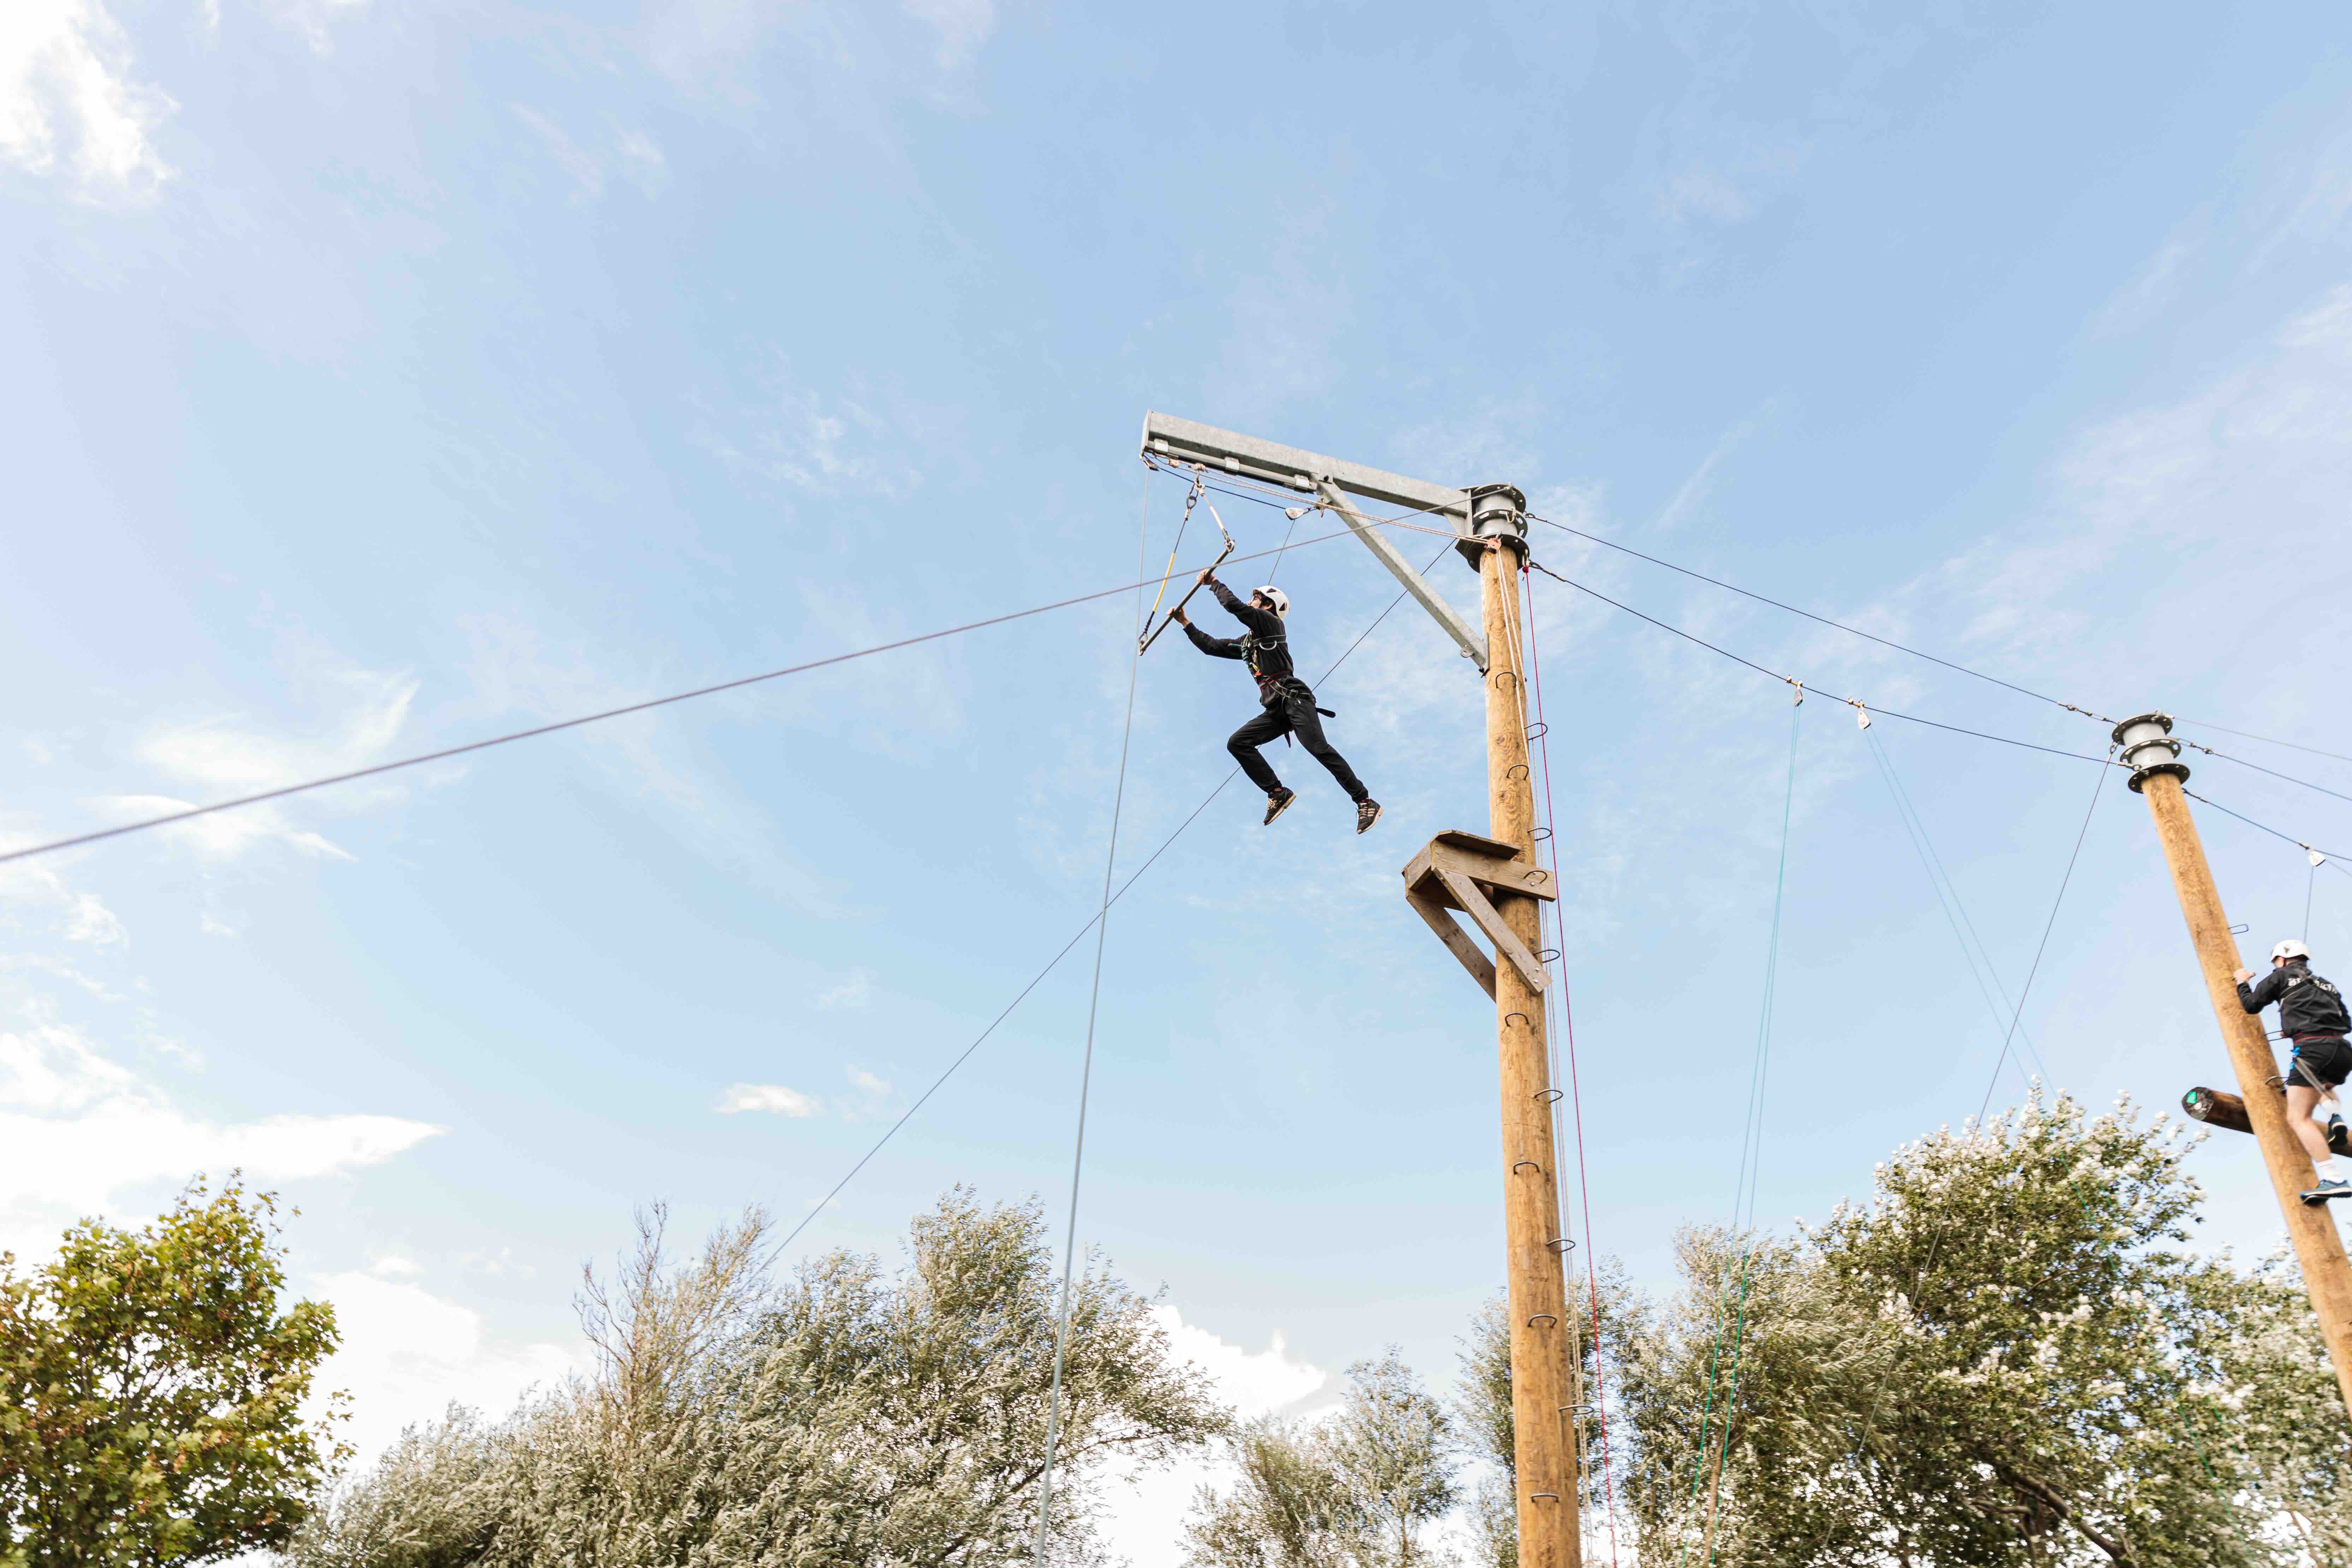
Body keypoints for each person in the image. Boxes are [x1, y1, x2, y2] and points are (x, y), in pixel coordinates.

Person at [1171, 570, 1381, 833]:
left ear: (1268, 605)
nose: (1251, 601)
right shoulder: (1248, 643)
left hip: (1295, 701)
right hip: (1276, 709)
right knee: (1238, 743)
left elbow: (1234, 607)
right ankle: (1277, 792)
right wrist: (1185, 623)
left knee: (1318, 748)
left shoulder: (1271, 624)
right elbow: (1212, 647)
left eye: (1256, 597)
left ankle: (1365, 801)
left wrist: (1213, 584)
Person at [2236, 939, 2352, 1204]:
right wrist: (2294, 1026)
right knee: (2318, 1083)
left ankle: (2333, 1178)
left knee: (2298, 1117)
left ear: (2282, 959)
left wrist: (2241, 981)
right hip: (2342, 1051)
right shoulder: (2326, 984)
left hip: (2311, 1049)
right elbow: (2346, 1022)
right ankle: (2334, 1115)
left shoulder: (2280, 975)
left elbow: (2251, 1005)